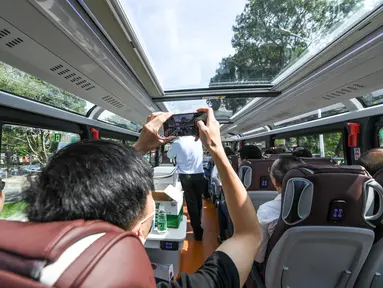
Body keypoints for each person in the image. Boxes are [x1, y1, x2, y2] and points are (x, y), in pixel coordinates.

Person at [23, 108, 262, 288]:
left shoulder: (22, 271)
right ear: (137, 232)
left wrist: (138, 147)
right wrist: (217, 151)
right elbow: (248, 234)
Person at [255, 155, 303, 263]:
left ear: (275, 181)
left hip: (279, 272)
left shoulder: (267, 211)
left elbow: (259, 257)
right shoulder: (321, 209)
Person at [217, 145, 262, 242]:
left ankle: (223, 236)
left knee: (221, 204)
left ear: (244, 159)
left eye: (239, 157)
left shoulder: (240, 172)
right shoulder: (268, 171)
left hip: (242, 210)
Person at [167, 136, 206, 240]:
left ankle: (197, 229)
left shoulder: (178, 142)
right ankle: (198, 222)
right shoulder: (198, 140)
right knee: (198, 201)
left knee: (191, 202)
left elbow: (169, 155)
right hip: (199, 174)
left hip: (185, 176)